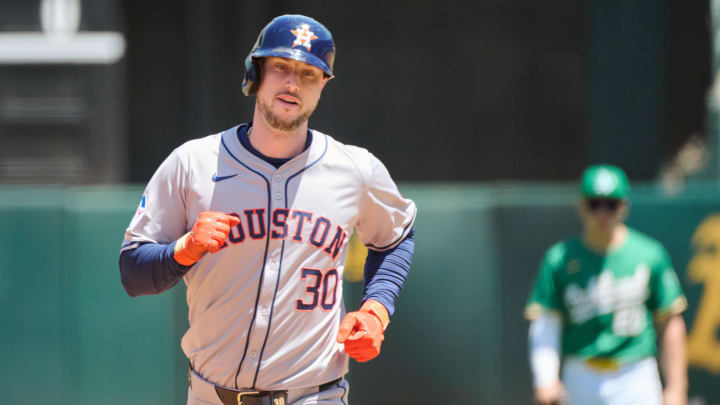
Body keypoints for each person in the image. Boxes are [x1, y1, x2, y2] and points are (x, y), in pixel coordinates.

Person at [118, 14, 416, 405]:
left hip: (315, 395)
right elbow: (133, 273)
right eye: (281, 67)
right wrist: (184, 249)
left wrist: (376, 310)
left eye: (309, 73)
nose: (293, 83)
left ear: (324, 85)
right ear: (255, 73)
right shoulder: (193, 163)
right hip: (212, 396)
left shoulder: (356, 170)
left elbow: (396, 237)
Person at [525, 164, 688, 405]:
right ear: (580, 206)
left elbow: (670, 321)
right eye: (594, 204)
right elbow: (547, 321)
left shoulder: (648, 254)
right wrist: (545, 377)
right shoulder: (559, 259)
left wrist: (676, 387)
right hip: (581, 371)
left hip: (635, 373)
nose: (602, 213)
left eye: (610, 205)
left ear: (624, 207)